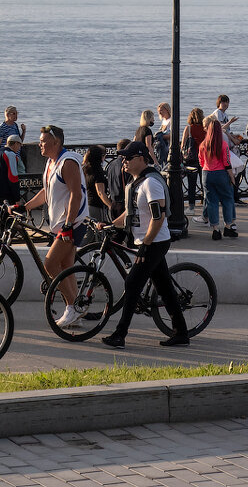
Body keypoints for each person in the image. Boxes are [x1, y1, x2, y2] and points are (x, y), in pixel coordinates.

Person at [101, 141, 190, 349]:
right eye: (123, 158)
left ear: (141, 159)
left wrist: (145, 246)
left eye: (128, 158)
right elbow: (130, 213)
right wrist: (109, 225)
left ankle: (120, 335)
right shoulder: (138, 182)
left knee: (132, 283)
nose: (124, 161)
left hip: (155, 242)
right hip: (148, 242)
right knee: (165, 287)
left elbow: (157, 218)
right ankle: (181, 333)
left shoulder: (151, 183)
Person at [14, 125, 89, 326]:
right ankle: (76, 313)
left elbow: (76, 194)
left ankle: (72, 307)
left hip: (72, 224)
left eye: (43, 140)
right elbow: (46, 193)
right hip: (62, 224)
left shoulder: (68, 162)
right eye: (40, 140)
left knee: (49, 264)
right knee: (66, 266)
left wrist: (68, 224)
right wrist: (25, 207)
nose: (39, 143)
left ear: (56, 142)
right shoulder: (50, 163)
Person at [200, 116, 237, 239]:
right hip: (221, 174)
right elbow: (227, 162)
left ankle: (215, 229)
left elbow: (201, 161)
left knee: (211, 201)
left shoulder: (203, 145)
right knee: (227, 199)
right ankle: (228, 227)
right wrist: (232, 177)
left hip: (206, 174)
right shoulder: (223, 144)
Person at [181, 108, 205, 216]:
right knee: (204, 184)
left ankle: (191, 207)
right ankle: (206, 206)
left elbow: (183, 145)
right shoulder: (205, 128)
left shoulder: (189, 128)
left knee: (192, 184)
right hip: (204, 159)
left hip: (191, 160)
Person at [0, 133, 24, 210]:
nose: (19, 148)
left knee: (1, 218)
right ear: (15, 143)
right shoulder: (10, 155)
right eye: (19, 145)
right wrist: (17, 198)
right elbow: (13, 177)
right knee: (9, 219)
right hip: (7, 194)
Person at [104, 138, 132, 224]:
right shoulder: (126, 164)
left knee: (116, 232)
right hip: (123, 203)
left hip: (113, 202)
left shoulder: (111, 164)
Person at [82, 144, 111, 225]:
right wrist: (110, 205)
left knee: (90, 231)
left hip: (87, 204)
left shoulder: (85, 169)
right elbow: (100, 192)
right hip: (96, 206)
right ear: (100, 157)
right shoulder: (98, 172)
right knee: (98, 231)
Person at [153, 102, 173, 167]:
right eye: (158, 111)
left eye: (161, 110)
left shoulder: (171, 120)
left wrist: (160, 137)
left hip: (168, 146)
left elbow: (171, 135)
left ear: (167, 110)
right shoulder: (164, 121)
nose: (159, 112)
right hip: (161, 146)